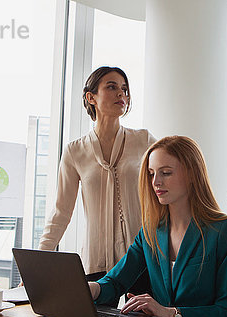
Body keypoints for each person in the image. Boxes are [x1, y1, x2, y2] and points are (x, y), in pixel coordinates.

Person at [88, 136, 227, 317]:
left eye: (166, 173)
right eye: (151, 173)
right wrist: (89, 289)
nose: (156, 182)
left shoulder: (225, 230)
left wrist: (171, 313)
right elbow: (115, 282)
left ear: (192, 174)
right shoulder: (150, 233)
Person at [39, 66, 156, 291]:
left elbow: (169, 185)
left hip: (142, 260)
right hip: (96, 261)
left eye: (124, 89)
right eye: (111, 87)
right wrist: (39, 262)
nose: (121, 94)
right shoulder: (75, 151)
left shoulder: (144, 140)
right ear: (91, 97)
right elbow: (61, 211)